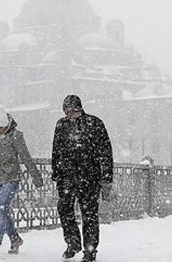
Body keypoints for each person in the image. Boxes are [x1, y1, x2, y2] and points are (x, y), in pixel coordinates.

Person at [0, 104, 44, 260]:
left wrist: (36, 176)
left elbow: (26, 157)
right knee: (2, 211)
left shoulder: (16, 136)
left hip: (11, 179)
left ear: (6, 125)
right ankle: (15, 239)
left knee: (0, 208)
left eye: (0, 127)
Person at [52, 94, 114, 262]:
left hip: (89, 177)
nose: (69, 115)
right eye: (66, 111)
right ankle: (73, 242)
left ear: (79, 109)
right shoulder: (61, 125)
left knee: (89, 214)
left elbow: (105, 151)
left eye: (72, 111)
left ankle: (90, 249)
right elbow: (56, 150)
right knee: (65, 209)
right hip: (67, 177)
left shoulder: (94, 123)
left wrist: (107, 176)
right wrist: (56, 171)